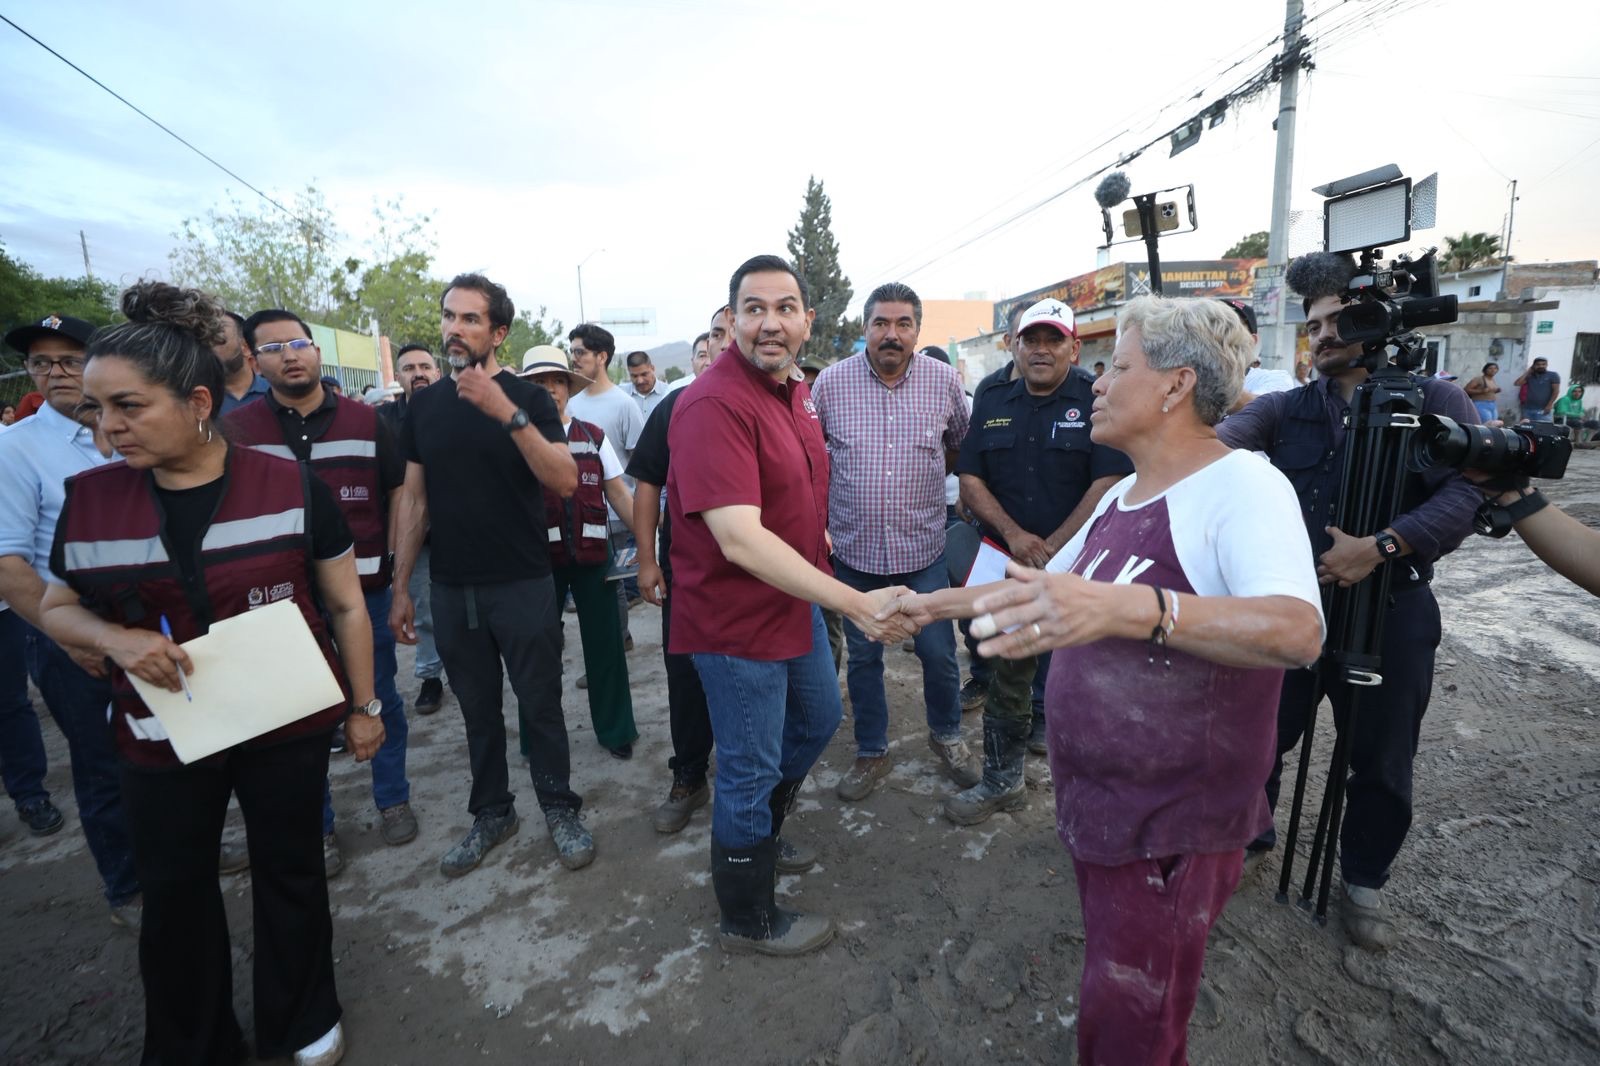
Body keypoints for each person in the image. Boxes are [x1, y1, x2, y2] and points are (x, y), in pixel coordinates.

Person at [888, 295, 1323, 1064]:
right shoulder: (1124, 494)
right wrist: (925, 605)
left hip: (1174, 824)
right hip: (1105, 807)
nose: (1098, 383)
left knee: (1133, 1022)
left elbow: (1297, 630)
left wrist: (1136, 608)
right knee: (1116, 991)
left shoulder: (1244, 487)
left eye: (1118, 367)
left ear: (1176, 385)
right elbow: (1039, 586)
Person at [41, 281, 379, 1066]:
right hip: (159, 732)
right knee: (174, 888)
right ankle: (193, 1040)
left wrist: (364, 706)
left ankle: (302, 1017)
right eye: (96, 408)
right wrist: (114, 640)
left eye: (128, 406)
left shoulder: (290, 486)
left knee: (290, 869)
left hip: (282, 722)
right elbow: (58, 607)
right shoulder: (90, 501)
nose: (107, 427)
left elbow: (345, 605)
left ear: (197, 402)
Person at [1218, 252, 1481, 952]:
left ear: (1381, 321)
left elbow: (1470, 490)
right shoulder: (1285, 407)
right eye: (1314, 325)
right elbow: (1212, 450)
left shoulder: (1437, 401)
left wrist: (1384, 545)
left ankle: (1364, 879)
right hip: (1296, 608)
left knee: (1383, 758)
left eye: (1340, 319)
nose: (1325, 335)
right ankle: (1249, 837)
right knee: (1259, 737)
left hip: (1395, 610)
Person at [667, 255, 913, 955]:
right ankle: (747, 915)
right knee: (748, 765)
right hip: (735, 622)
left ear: (809, 319)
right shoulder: (714, 403)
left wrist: (817, 533)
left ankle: (762, 832)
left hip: (791, 600)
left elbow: (795, 490)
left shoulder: (794, 391)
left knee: (820, 717)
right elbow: (739, 539)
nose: (769, 322)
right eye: (754, 308)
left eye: (784, 308)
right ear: (732, 320)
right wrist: (856, 603)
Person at [389, 274, 591, 875]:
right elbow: (414, 500)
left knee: (540, 704)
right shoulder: (424, 406)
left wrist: (506, 412)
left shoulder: (530, 400)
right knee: (477, 710)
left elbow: (565, 479)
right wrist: (401, 587)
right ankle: (493, 813)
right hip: (452, 587)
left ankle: (558, 807)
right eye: (449, 316)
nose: (454, 328)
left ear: (498, 332)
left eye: (470, 319)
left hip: (522, 582)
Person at [226, 309, 416, 874]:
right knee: (298, 716)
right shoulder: (237, 431)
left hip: (365, 591)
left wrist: (398, 576)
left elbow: (399, 493)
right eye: (273, 348)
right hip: (278, 604)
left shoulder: (366, 421)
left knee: (378, 696)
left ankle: (393, 798)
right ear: (253, 360)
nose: (289, 355)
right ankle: (320, 825)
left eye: (298, 343)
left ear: (316, 351)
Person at [951, 298, 1133, 824]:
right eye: (1031, 339)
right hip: (1004, 561)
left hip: (1077, 567)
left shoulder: (1098, 397)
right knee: (1007, 669)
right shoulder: (992, 396)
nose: (1041, 349)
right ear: (1014, 345)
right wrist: (1016, 537)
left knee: (1076, 676)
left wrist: (1051, 547)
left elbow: (1109, 482)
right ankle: (1003, 780)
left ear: (1074, 348)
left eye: (1054, 339)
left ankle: (1087, 789)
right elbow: (970, 478)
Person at [0, 312, 140, 926]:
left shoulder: (130, 428)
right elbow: (8, 563)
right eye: (41, 362)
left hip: (144, 624)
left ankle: (183, 854)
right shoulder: (17, 448)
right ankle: (129, 889)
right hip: (70, 637)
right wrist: (73, 636)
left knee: (167, 751)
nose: (55, 373)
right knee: (105, 766)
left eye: (69, 360)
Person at [812, 282, 977, 802]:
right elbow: (814, 459)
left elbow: (959, 448)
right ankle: (871, 750)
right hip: (855, 554)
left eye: (903, 324)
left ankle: (947, 736)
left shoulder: (944, 382)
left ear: (917, 331)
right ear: (865, 328)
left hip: (922, 551)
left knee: (939, 652)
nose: (892, 334)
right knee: (863, 659)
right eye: (881, 323)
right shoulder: (831, 384)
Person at [519, 345, 639, 759]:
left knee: (606, 647)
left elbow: (618, 494)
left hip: (593, 558)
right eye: (539, 383)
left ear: (568, 388)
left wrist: (648, 545)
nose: (550, 390)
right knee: (536, 654)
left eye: (557, 381)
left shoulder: (592, 436)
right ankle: (536, 739)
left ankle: (616, 730)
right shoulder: (517, 439)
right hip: (537, 564)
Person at [568, 323, 646, 627]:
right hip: (578, 514)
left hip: (617, 515)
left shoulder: (624, 404)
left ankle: (620, 639)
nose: (574, 358)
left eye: (580, 352)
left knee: (614, 586)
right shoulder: (570, 404)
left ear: (601, 357)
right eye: (572, 352)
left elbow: (640, 467)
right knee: (589, 587)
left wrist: (642, 521)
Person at [389, 343, 445, 714]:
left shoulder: (455, 409)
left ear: (437, 372)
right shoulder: (383, 421)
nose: (418, 373)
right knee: (422, 609)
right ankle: (430, 676)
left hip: (456, 529)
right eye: (409, 368)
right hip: (414, 534)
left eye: (425, 366)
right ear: (397, 376)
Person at [213, 310, 270, 415]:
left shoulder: (279, 392)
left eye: (217, 338)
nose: (208, 346)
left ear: (245, 347)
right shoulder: (197, 403)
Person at [622, 350, 669, 418]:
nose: (640, 381)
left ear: (653, 368)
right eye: (634, 376)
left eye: (644, 374)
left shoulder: (668, 393)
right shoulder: (621, 395)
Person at [1515, 357, 1559, 422]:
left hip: (1543, 410)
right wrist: (1528, 372)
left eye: (1543, 364)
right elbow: (1517, 383)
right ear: (1534, 366)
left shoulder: (1553, 375)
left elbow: (1556, 391)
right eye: (1538, 364)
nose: (1541, 366)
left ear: (1547, 365)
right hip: (1528, 409)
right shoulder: (1530, 376)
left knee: (1544, 428)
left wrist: (1549, 405)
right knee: (1526, 428)